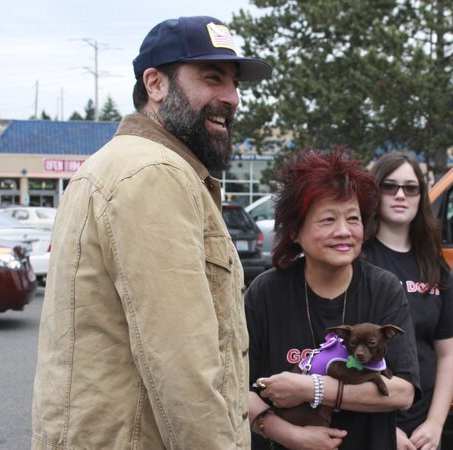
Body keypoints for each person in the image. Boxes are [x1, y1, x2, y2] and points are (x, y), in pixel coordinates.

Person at [31, 16, 272, 449]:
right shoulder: (153, 173)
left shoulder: (119, 165)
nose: (232, 98)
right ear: (155, 83)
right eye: (212, 78)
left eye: (235, 84)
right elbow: (182, 368)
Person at [244, 149, 421, 450]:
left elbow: (402, 392)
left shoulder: (383, 288)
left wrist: (312, 388)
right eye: (327, 219)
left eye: (353, 219)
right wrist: (290, 435)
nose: (343, 232)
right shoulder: (265, 292)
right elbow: (235, 386)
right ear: (295, 232)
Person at [364, 152, 453, 450]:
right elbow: (342, 356)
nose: (401, 195)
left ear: (421, 195)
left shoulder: (434, 265)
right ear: (375, 193)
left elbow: (447, 354)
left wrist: (435, 424)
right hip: (368, 424)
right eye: (390, 187)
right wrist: (383, 431)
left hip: (423, 431)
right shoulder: (356, 260)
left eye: (411, 187)